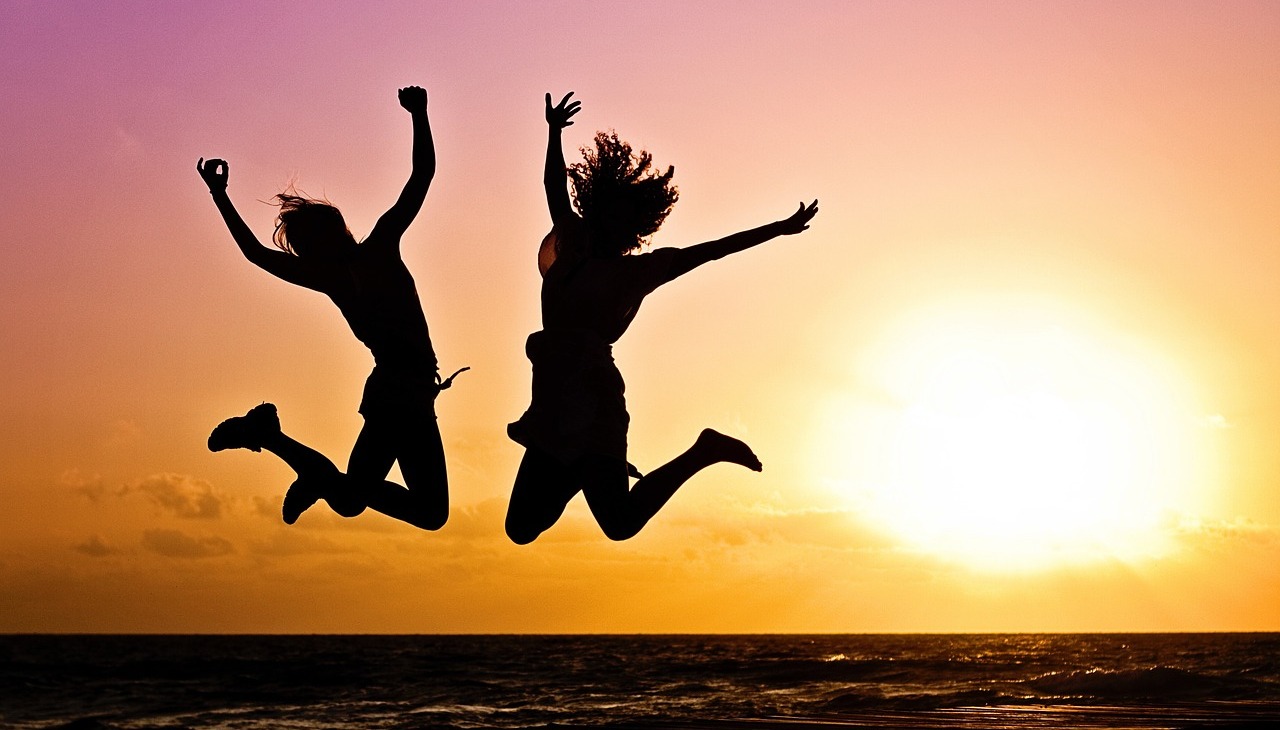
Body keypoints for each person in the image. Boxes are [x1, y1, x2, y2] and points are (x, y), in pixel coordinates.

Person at [505, 91, 818, 544]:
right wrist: (553, 132)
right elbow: (554, 188)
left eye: (619, 221)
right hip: (553, 399)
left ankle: (703, 451)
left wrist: (779, 228)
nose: (605, 225)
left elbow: (712, 251)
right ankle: (581, 469)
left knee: (620, 523)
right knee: (520, 528)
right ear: (595, 204)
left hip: (593, 402)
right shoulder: (571, 242)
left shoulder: (638, 272)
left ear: (633, 227)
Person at [197, 85, 463, 530]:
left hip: (404, 390)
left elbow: (421, 178)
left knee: (365, 501)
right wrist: (419, 112)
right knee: (386, 505)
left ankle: (283, 447)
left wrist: (219, 195)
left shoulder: (345, 269)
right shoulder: (366, 256)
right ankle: (282, 446)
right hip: (400, 391)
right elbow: (422, 177)